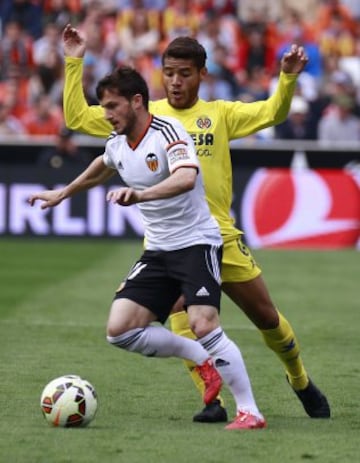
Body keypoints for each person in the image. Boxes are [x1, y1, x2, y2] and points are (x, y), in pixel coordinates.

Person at [62, 25, 331, 422]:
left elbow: (274, 111)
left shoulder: (219, 114)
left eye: (184, 73)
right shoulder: (142, 115)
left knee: (267, 319)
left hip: (218, 234)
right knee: (183, 322)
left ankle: (300, 379)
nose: (175, 81)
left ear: (202, 75)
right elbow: (77, 118)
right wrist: (74, 61)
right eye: (169, 72)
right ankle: (213, 402)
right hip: (170, 241)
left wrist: (287, 77)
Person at [28, 66, 266, 430]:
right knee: (120, 330)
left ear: (137, 101)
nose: (106, 115)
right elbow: (103, 165)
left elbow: (187, 177)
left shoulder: (169, 132)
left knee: (203, 323)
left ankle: (250, 411)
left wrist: (140, 194)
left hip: (196, 242)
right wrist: (62, 193)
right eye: (103, 107)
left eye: (112, 106)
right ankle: (202, 360)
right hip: (158, 250)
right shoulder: (118, 141)